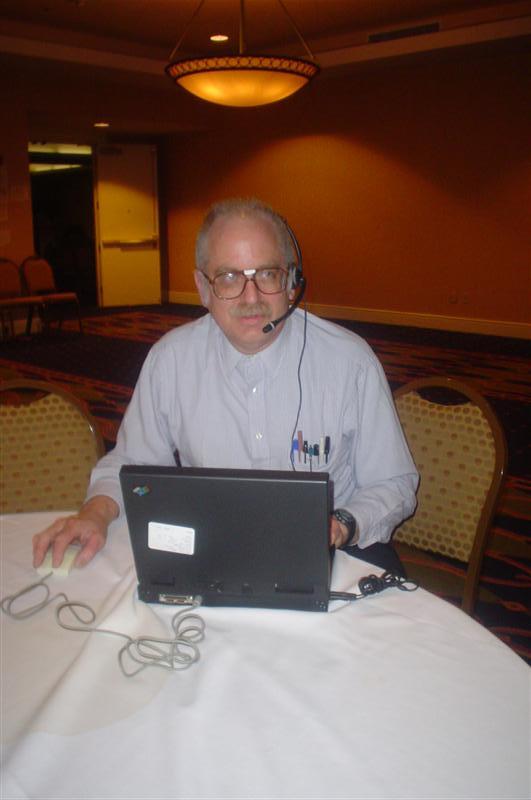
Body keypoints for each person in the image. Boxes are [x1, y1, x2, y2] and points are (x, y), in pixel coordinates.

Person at [33, 197, 418, 573]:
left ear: (291, 282)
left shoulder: (350, 362)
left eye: (267, 274)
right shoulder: (171, 360)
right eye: (229, 278)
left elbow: (394, 482)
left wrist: (342, 524)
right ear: (203, 288)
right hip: (214, 553)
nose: (251, 297)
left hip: (332, 558)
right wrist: (95, 512)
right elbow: (132, 461)